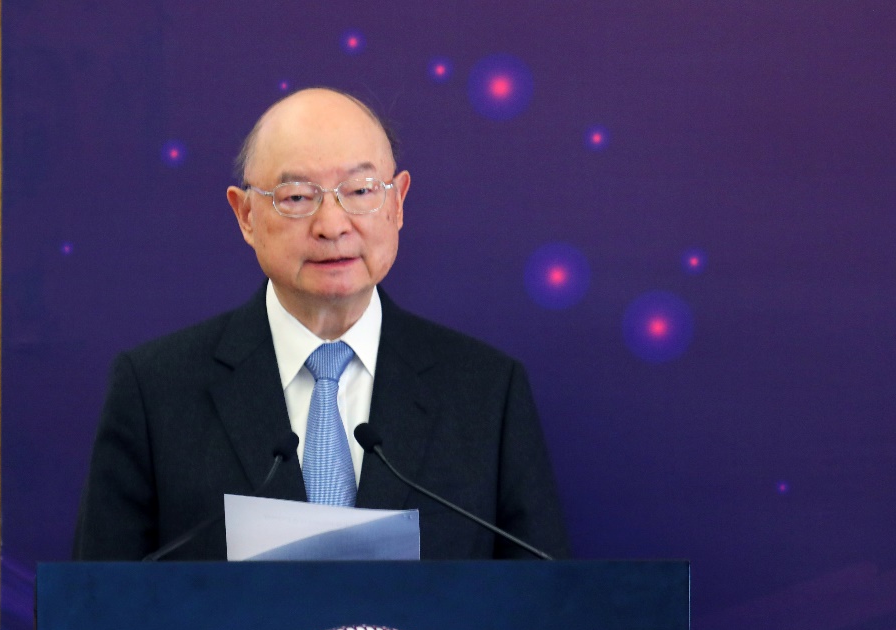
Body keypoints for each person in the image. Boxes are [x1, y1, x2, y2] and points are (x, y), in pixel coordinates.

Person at [74, 87, 568, 560]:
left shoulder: (487, 392)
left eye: (360, 190)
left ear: (398, 203)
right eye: (296, 197)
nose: (332, 225)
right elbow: (98, 603)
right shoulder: (155, 391)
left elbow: (543, 600)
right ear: (245, 215)